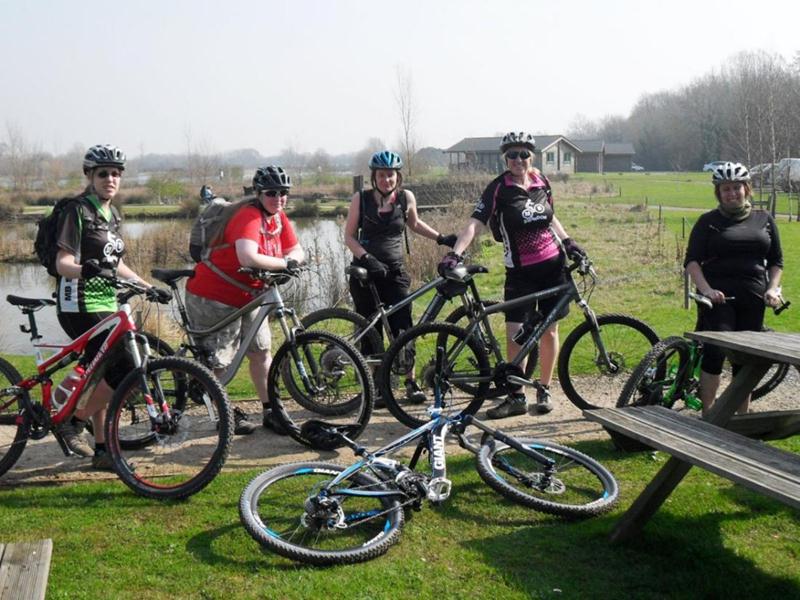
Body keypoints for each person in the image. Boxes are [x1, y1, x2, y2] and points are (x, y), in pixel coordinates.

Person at [437, 132, 585, 419]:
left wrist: (569, 241)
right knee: (516, 334)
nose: (519, 160)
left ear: (532, 156)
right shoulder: (498, 188)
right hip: (520, 273)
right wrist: (456, 253)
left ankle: (544, 388)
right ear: (505, 159)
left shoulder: (542, 181)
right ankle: (516, 396)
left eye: (524, 154)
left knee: (549, 330)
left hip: (553, 266)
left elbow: (550, 216)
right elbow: (474, 224)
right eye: (512, 155)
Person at [55, 144, 170, 469]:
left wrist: (148, 287)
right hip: (78, 301)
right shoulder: (78, 211)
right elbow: (62, 262)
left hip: (106, 299)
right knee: (120, 364)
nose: (110, 179)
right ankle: (73, 423)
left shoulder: (112, 214)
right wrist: (84, 269)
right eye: (103, 173)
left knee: (104, 372)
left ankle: (104, 450)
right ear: (90, 176)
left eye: (116, 174)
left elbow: (115, 263)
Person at [185, 165, 305, 433]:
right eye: (272, 193)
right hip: (214, 295)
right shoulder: (249, 216)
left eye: (283, 193)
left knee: (261, 352)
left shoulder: (277, 217)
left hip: (251, 295)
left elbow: (296, 248)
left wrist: (290, 261)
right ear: (259, 193)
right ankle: (221, 411)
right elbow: (247, 256)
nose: (278, 198)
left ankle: (272, 410)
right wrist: (284, 263)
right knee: (219, 361)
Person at [344, 150, 457, 403]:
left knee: (404, 328)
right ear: (374, 177)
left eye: (391, 175)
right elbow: (349, 236)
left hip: (394, 272)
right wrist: (367, 258)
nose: (387, 180)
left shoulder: (405, 198)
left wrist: (441, 238)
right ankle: (377, 386)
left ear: (398, 176)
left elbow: (414, 224)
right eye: (382, 175)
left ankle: (410, 382)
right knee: (370, 328)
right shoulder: (360, 199)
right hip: (365, 274)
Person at [684, 161, 783, 415]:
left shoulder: (764, 219)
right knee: (715, 354)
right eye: (726, 189)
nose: (732, 193)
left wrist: (772, 289)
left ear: (746, 189)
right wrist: (705, 290)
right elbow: (692, 262)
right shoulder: (708, 222)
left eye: (736, 187)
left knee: (745, 359)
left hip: (753, 297)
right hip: (718, 298)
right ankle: (709, 416)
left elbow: (776, 262)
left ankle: (741, 418)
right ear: (719, 193)